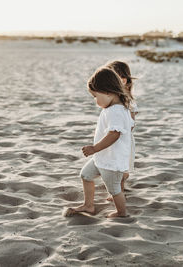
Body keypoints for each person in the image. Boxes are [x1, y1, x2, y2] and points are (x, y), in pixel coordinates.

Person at [65, 67, 134, 218]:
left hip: (112, 160)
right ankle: (89, 205)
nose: (95, 101)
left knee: (114, 189)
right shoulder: (114, 108)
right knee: (86, 175)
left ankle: (121, 213)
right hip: (102, 158)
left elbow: (114, 134)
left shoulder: (117, 110)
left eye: (95, 96)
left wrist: (95, 148)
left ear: (108, 91)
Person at [105, 61, 138, 201]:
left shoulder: (128, 101)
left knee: (122, 167)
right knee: (113, 164)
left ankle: (120, 191)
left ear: (124, 80)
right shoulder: (112, 99)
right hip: (113, 136)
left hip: (124, 139)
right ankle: (116, 190)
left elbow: (131, 123)